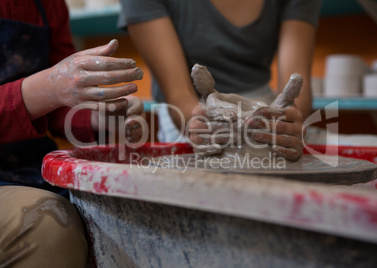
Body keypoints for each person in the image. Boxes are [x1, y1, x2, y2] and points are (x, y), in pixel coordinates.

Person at [0, 0, 144, 267]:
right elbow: (49, 93)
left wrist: (100, 116)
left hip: (31, 167)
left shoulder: (49, 5)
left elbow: (56, 110)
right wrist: (48, 87)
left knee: (122, 209)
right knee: (46, 226)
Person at [119, 0, 321, 161]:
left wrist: (289, 119)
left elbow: (295, 85)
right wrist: (200, 124)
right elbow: (178, 93)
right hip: (191, 110)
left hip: (264, 107)